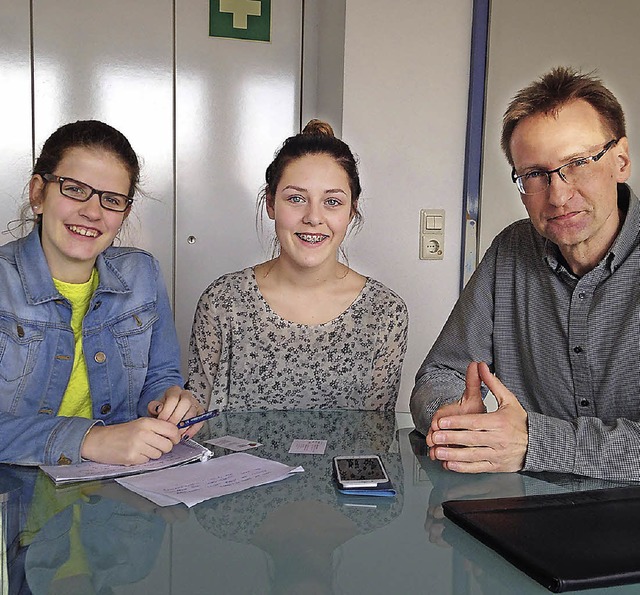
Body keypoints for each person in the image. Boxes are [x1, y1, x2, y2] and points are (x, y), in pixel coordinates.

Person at [410, 66, 638, 481]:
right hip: (525, 511)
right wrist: (455, 419)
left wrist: (534, 442)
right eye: (535, 174)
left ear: (620, 160)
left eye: (579, 162)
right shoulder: (511, 250)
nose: (558, 194)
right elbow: (439, 375)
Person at [0, 120, 205, 466]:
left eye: (111, 200)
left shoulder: (143, 274)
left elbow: (161, 377)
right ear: (38, 193)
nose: (93, 212)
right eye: (75, 189)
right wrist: (89, 440)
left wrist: (168, 401)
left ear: (123, 214)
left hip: (118, 501)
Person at [188, 120, 408, 411]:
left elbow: (375, 434)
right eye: (295, 199)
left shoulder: (385, 312)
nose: (314, 217)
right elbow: (198, 419)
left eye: (332, 202)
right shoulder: (223, 302)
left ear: (352, 211)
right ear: (270, 204)